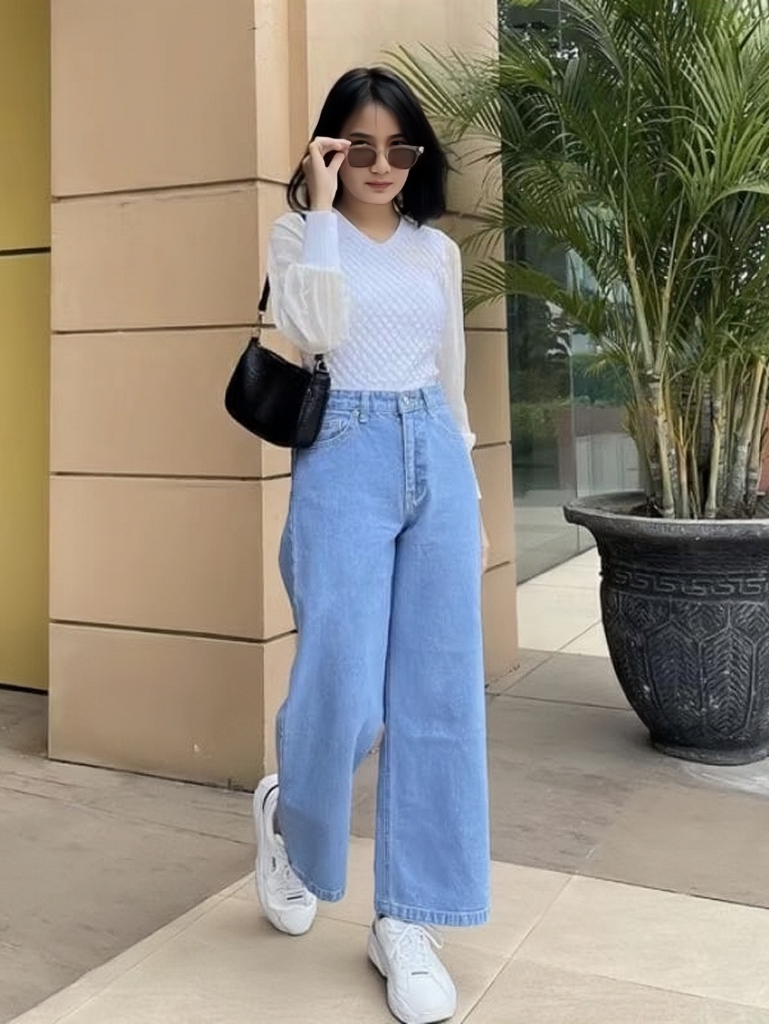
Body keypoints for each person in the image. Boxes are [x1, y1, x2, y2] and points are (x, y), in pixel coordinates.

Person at [251, 65, 491, 1024]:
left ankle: (410, 920)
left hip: (434, 448)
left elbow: (451, 376)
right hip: (345, 452)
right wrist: (318, 210)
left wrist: (471, 495)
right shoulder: (298, 235)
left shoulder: (437, 251)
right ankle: (290, 819)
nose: (381, 164)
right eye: (359, 145)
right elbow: (315, 328)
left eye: (401, 147)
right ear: (329, 148)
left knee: (439, 694)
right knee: (343, 686)